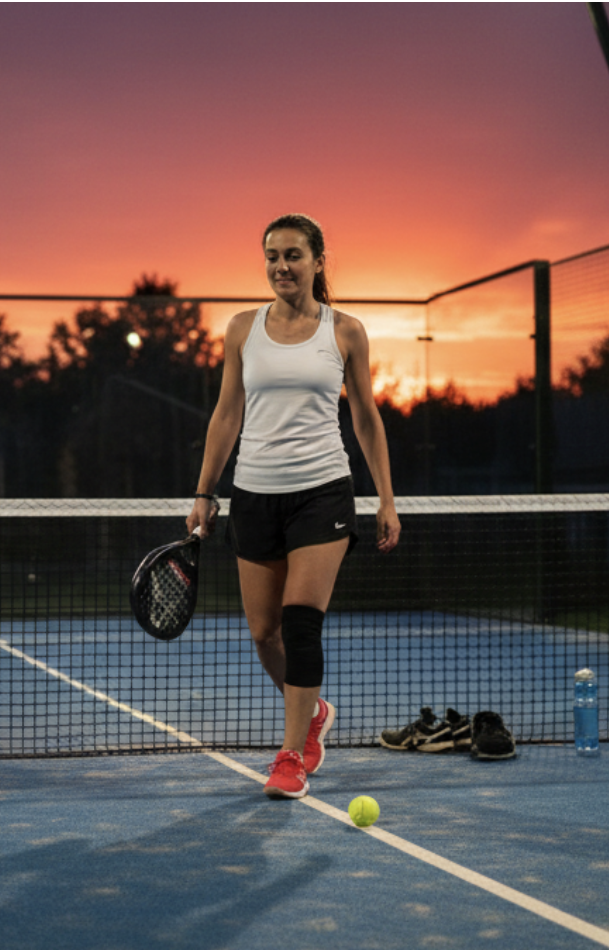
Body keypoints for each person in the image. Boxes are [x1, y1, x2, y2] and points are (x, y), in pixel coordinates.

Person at [186, 213, 400, 799]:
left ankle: (290, 756)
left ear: (318, 261)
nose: (282, 266)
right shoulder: (240, 329)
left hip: (323, 492)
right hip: (253, 495)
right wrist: (206, 491)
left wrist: (385, 497)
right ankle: (312, 713)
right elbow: (227, 414)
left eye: (294, 255)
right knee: (264, 633)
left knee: (302, 623)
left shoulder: (345, 331)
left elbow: (366, 419)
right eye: (273, 256)